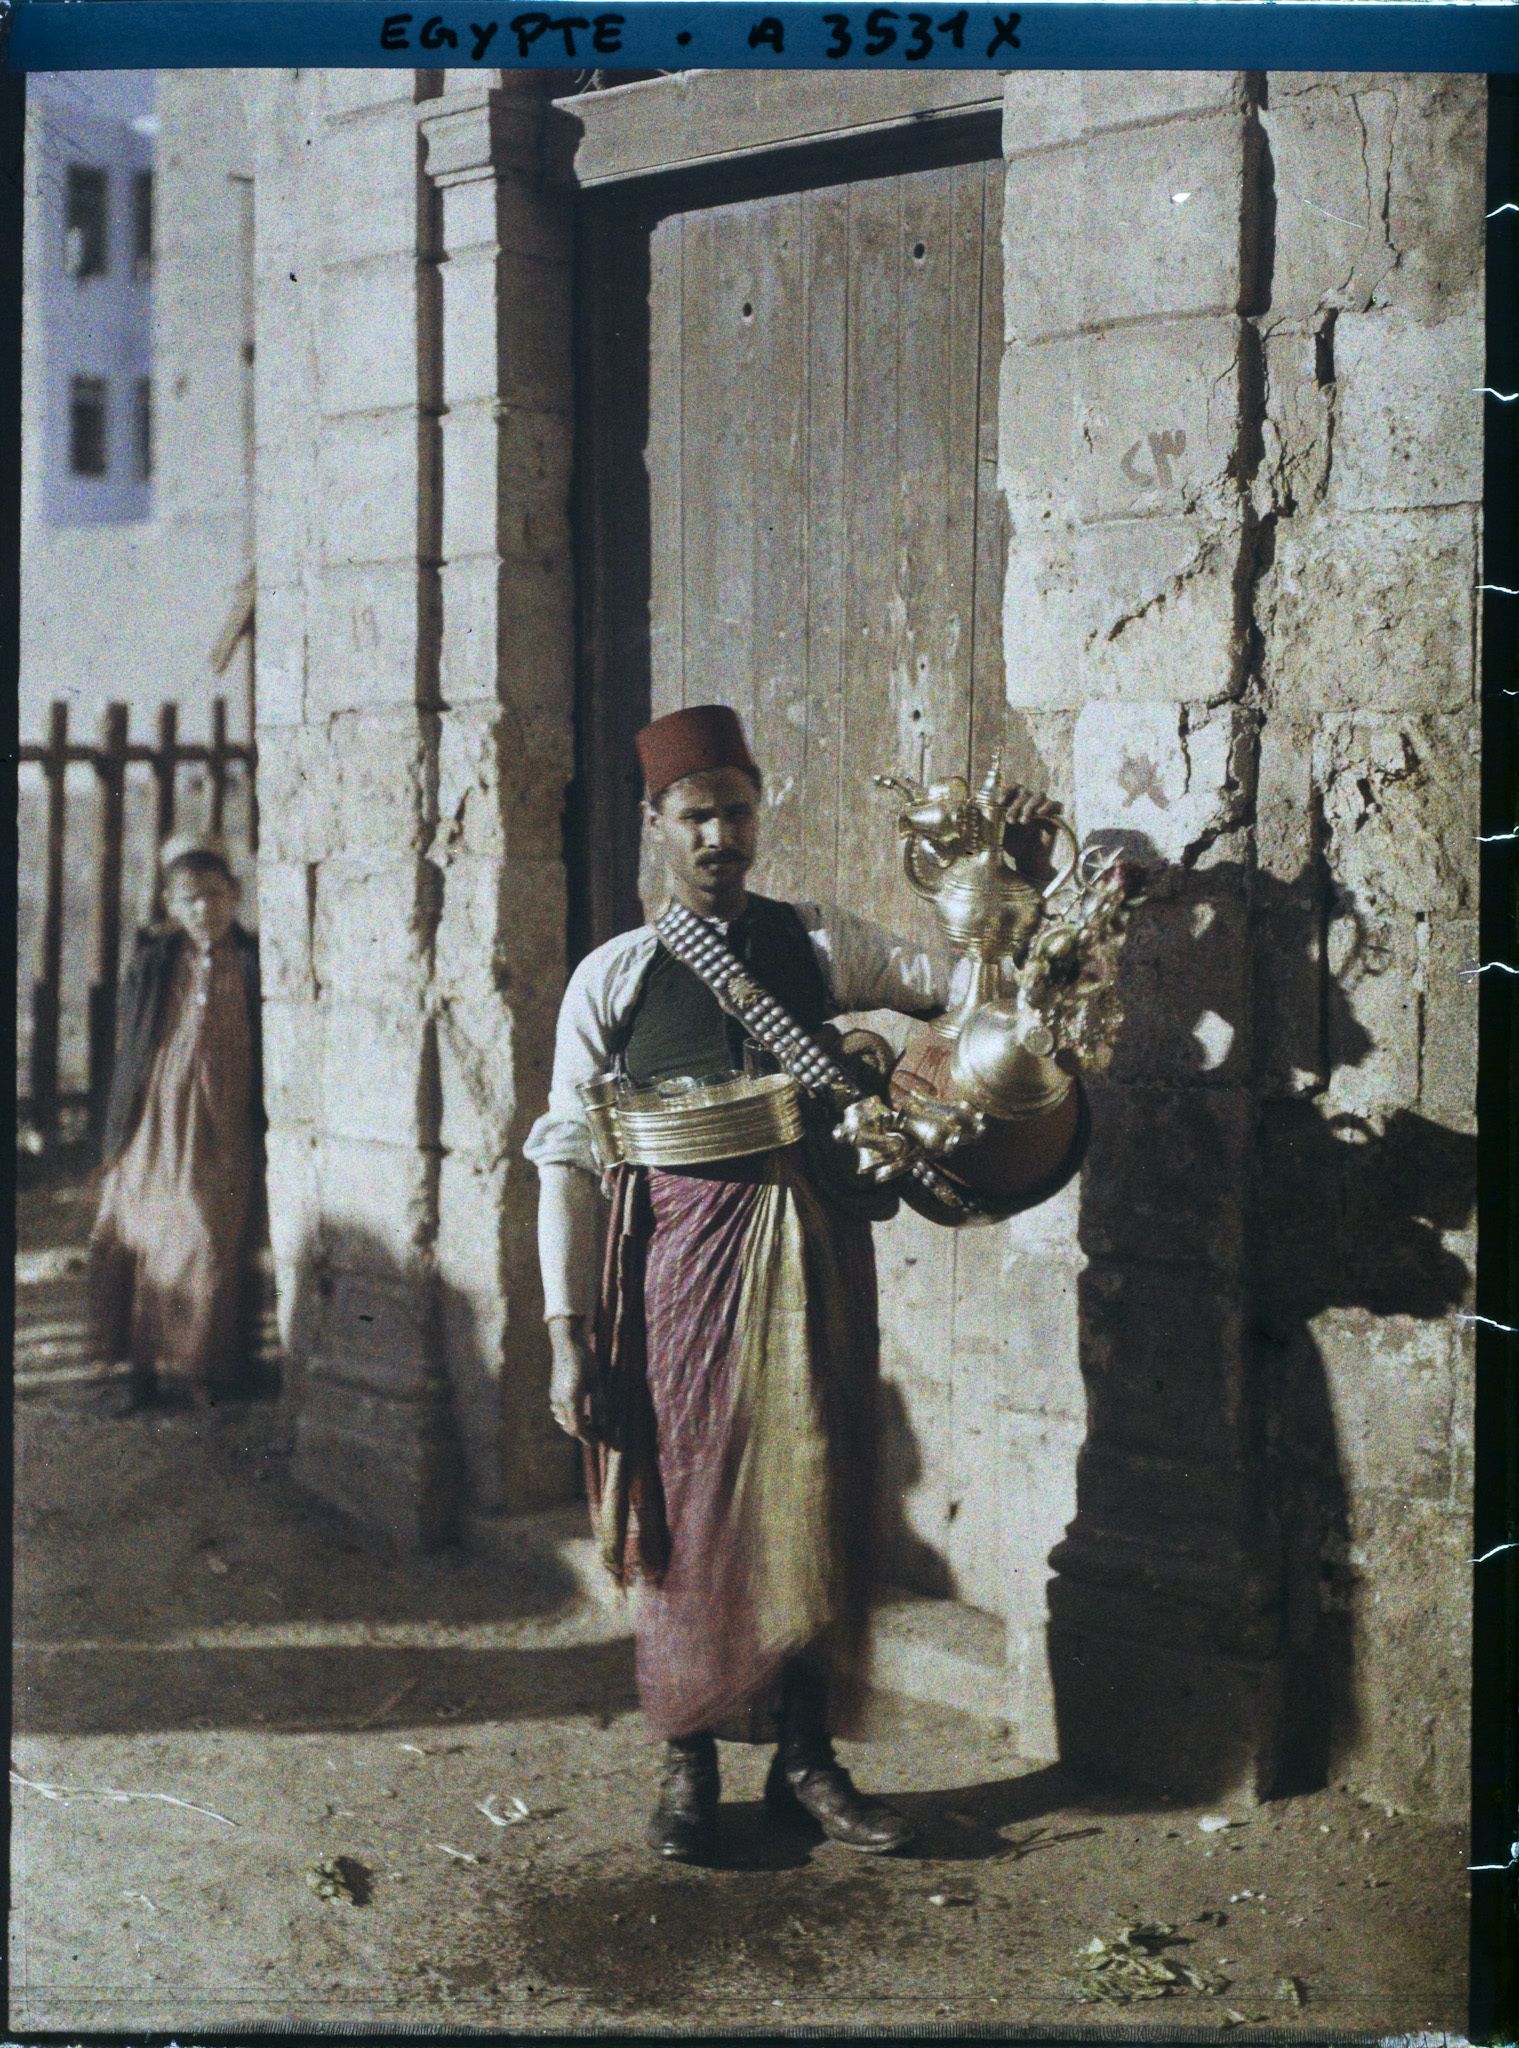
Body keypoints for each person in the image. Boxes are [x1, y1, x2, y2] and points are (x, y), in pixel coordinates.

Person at [525, 704, 1061, 1864]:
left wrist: (950, 961)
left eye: (737, 807)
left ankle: (809, 1760)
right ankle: (689, 1758)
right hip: (673, 1267)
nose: (721, 832)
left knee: (813, 1486)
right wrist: (567, 1332)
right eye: (695, 813)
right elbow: (565, 1162)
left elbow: (956, 997)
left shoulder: (818, 945)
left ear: (761, 808)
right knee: (688, 1502)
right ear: (656, 825)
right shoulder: (613, 977)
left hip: (816, 1252)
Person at [87, 832, 265, 1416]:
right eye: (189, 899)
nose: (203, 910)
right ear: (170, 904)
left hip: (225, 1118)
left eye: (215, 896)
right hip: (157, 1119)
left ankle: (205, 1369)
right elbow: (133, 1043)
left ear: (236, 895)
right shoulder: (158, 960)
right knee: (144, 1236)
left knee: (209, 1238)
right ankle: (141, 1369)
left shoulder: (252, 961)